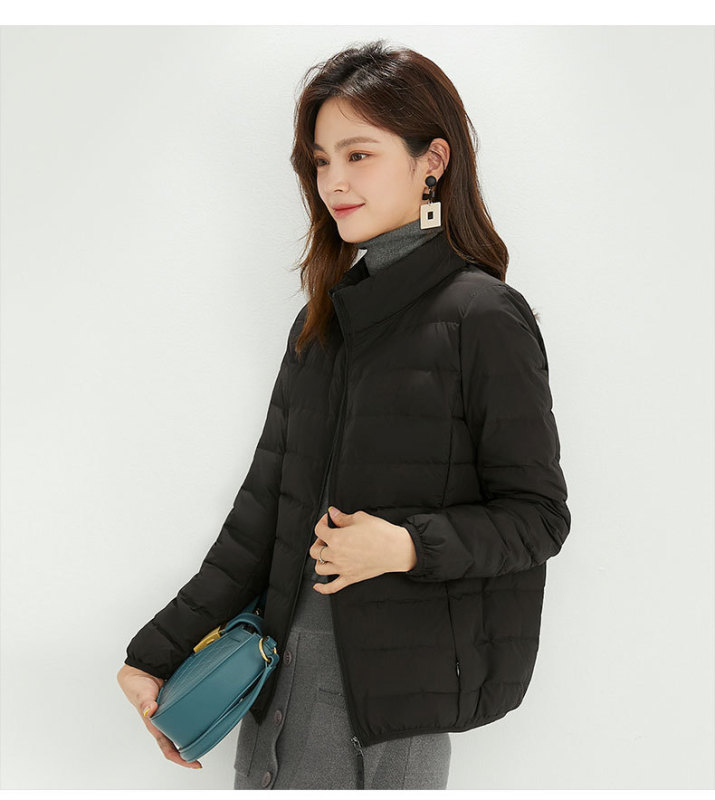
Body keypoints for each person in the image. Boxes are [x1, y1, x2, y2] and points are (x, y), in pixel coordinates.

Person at [117, 39, 571, 790]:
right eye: (321, 160)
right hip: (273, 686)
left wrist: (406, 546)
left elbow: (538, 517)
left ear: (432, 160)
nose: (333, 181)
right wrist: (155, 652)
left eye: (358, 155)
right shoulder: (321, 324)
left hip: (387, 709)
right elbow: (262, 516)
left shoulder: (483, 316)